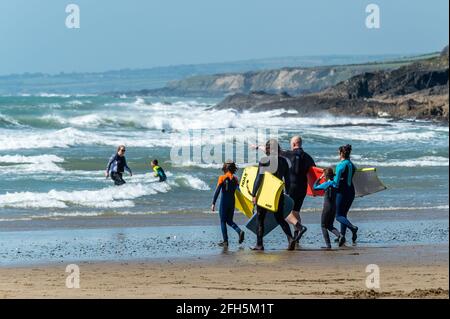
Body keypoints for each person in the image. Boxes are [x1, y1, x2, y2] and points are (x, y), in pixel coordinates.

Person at [251, 139, 297, 251]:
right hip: (278, 193)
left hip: (265, 193)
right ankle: (290, 239)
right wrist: (287, 193)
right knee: (280, 218)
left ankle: (259, 244)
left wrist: (253, 194)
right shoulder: (283, 161)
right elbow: (287, 180)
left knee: (260, 218)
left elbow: (259, 179)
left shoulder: (264, 161)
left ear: (267, 149)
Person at [280, 136, 316, 245]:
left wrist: (259, 147)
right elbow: (314, 172)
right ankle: (296, 236)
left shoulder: (288, 154)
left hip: (291, 187)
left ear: (294, 144)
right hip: (302, 188)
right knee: (295, 211)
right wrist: (315, 189)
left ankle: (299, 227)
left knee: (284, 212)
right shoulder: (308, 157)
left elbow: (275, 151)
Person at [211, 160, 245, 248]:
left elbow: (217, 191)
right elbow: (239, 191)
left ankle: (225, 241)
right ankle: (239, 231)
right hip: (232, 202)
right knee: (229, 221)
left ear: (225, 168)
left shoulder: (222, 177)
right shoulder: (235, 179)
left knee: (223, 221)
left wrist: (213, 203)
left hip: (224, 202)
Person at [334, 144, 358, 245]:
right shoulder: (352, 165)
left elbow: (336, 182)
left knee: (338, 215)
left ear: (341, 153)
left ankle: (353, 228)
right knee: (344, 214)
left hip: (342, 192)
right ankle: (342, 236)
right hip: (351, 191)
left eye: (339, 153)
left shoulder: (341, 165)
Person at [313, 167, 344, 249]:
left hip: (327, 207)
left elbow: (315, 187)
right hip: (334, 207)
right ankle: (340, 235)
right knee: (330, 225)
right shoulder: (336, 184)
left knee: (323, 226)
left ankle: (328, 245)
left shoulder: (327, 184)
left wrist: (319, 178)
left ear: (325, 176)